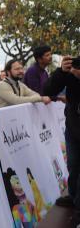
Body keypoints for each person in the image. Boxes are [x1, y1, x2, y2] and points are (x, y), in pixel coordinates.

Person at [43, 55, 80, 226]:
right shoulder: (69, 74)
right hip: (73, 129)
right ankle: (73, 196)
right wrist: (61, 72)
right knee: (73, 165)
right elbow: (48, 91)